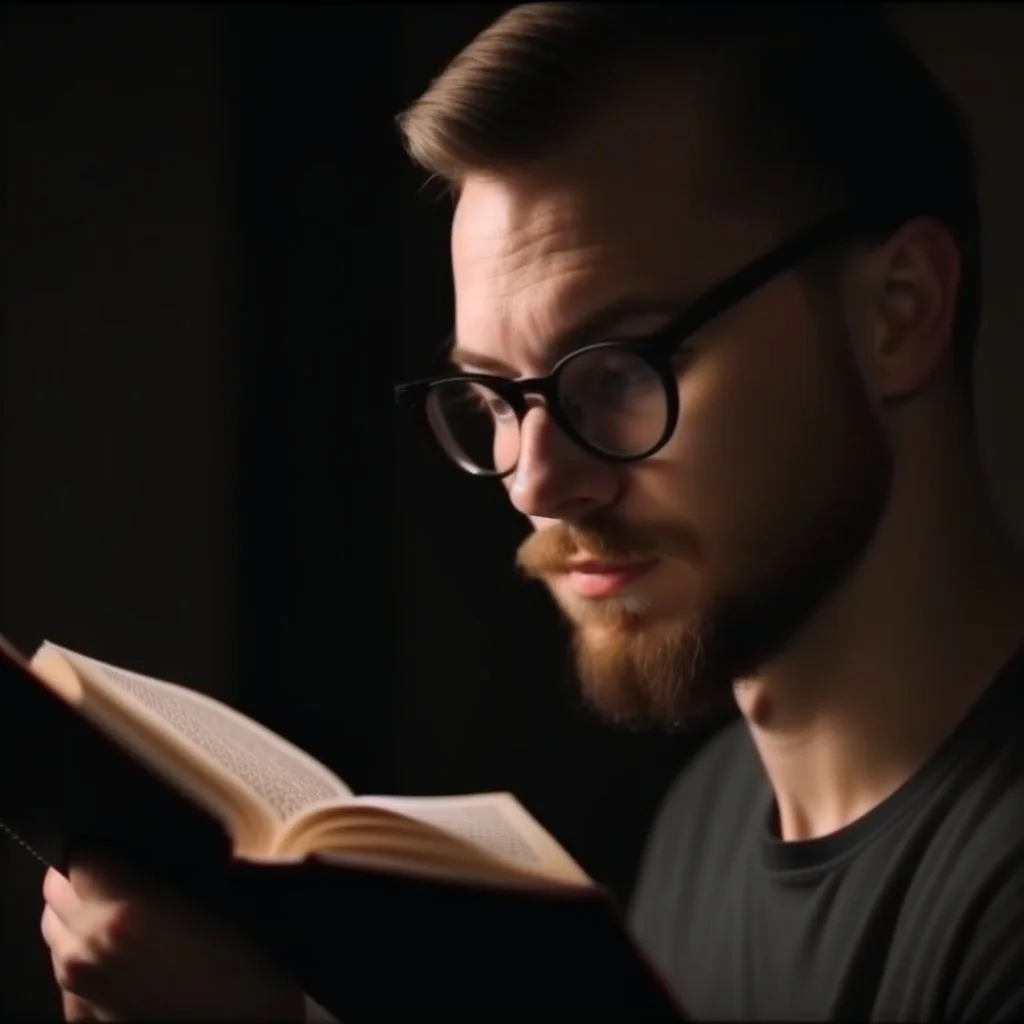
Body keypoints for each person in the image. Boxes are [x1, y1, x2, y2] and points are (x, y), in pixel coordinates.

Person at [40, 2, 1024, 1020]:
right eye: (492, 399)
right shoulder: (712, 811)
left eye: (619, 369)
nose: (534, 485)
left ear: (897, 311)